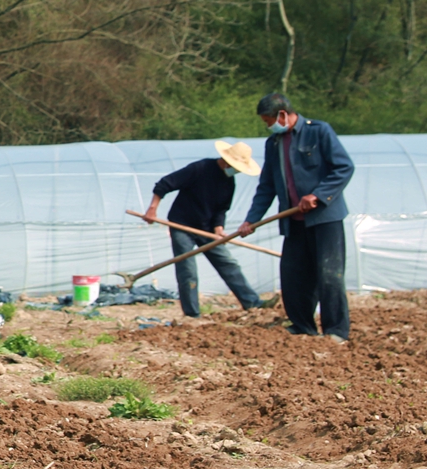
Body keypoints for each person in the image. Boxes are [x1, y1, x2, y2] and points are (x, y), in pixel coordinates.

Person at [236, 93, 356, 342]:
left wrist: (318, 195)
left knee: (329, 275)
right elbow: (266, 186)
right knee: (293, 275)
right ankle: (302, 325)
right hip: (293, 221)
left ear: (282, 114)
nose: (268, 126)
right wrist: (251, 219)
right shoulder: (274, 144)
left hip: (324, 219)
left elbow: (344, 167)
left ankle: (336, 331)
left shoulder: (319, 132)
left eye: (268, 120)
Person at [142, 141, 265, 318]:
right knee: (188, 270)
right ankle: (192, 313)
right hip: (182, 225)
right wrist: (152, 208)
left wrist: (218, 228)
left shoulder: (228, 182)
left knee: (228, 263)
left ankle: (252, 303)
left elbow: (221, 208)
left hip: (206, 229)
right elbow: (165, 183)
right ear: (227, 161)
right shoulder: (200, 168)